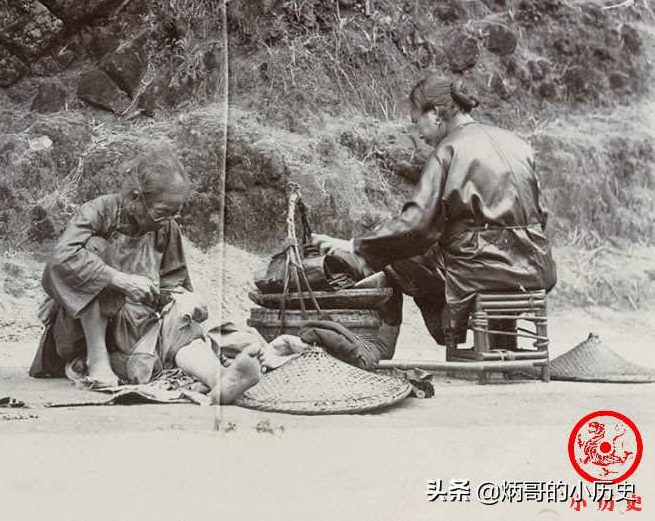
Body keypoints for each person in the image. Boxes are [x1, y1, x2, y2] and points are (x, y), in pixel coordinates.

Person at [312, 75, 557, 358]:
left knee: (395, 255)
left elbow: (416, 225)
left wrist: (356, 246)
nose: (420, 134)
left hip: (481, 273)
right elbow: (542, 215)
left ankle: (379, 347)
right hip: (537, 269)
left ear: (436, 113)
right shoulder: (518, 144)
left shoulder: (448, 150)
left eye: (418, 122)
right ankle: (501, 335)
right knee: (462, 250)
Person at [29, 146, 261, 404]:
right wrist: (121, 281)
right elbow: (60, 261)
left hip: (135, 328)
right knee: (95, 248)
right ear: (135, 200)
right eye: (162, 212)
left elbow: (174, 282)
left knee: (180, 327)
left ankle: (220, 379)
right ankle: (97, 361)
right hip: (82, 330)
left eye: (175, 213)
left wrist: (183, 300)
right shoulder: (98, 212)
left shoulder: (167, 228)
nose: (169, 220)